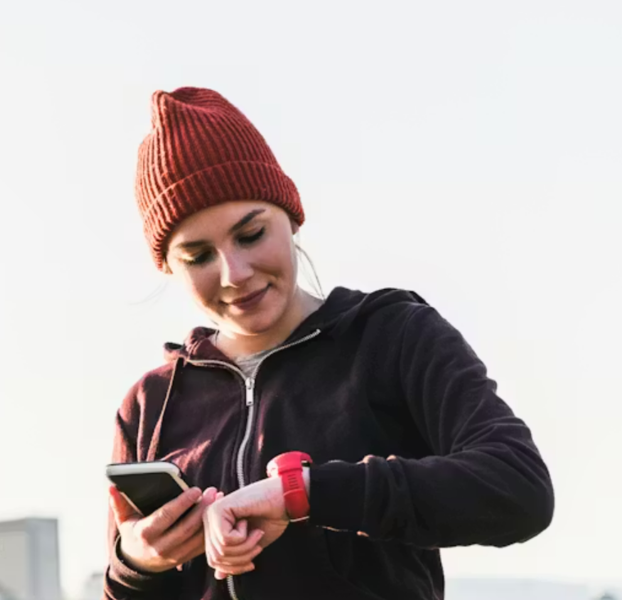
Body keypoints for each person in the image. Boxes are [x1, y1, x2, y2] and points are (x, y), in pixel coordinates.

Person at [104, 87, 554, 600]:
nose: (234, 273)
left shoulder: (393, 337)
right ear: (168, 266)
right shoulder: (150, 404)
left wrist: (305, 495)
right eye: (198, 255)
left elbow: (520, 489)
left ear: (291, 216)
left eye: (251, 234)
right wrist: (135, 563)